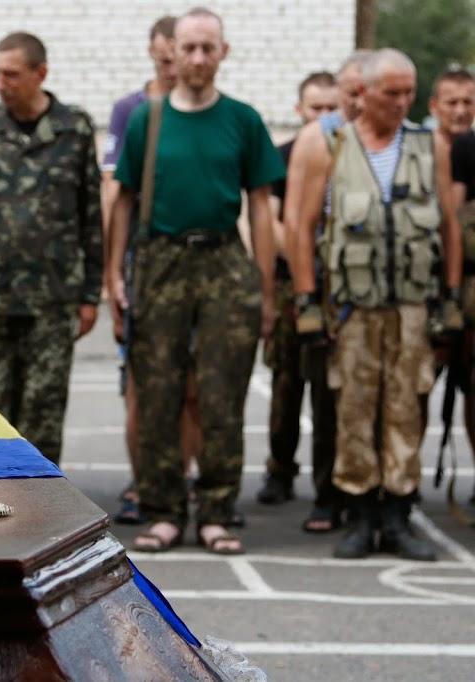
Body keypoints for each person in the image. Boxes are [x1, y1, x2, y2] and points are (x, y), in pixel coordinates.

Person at [109, 7, 284, 555]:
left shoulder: (244, 120)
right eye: (189, 48)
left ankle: (216, 511)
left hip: (225, 262)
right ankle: (162, 510)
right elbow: (124, 201)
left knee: (222, 393)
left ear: (223, 53)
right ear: (172, 52)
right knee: (157, 390)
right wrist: (115, 273)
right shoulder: (149, 119)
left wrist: (265, 288)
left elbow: (260, 206)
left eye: (209, 48)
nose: (198, 58)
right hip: (161, 261)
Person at [292, 49, 462, 561]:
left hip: (412, 308)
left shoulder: (428, 144)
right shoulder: (330, 146)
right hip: (353, 311)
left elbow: (449, 228)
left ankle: (399, 513)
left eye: (409, 92)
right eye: (392, 93)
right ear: (362, 93)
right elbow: (302, 227)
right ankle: (361, 515)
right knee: (356, 410)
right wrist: (306, 302)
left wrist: (450, 299)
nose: (403, 102)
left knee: (407, 408)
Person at [0, 31, 102, 465]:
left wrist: (90, 293)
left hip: (52, 296)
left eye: (12, 74)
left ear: (40, 73)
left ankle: (44, 517)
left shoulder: (73, 127)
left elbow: (90, 213)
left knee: (43, 414)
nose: (1, 83)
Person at [101, 15, 204, 526]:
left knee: (190, 386)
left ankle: (181, 478)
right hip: (146, 261)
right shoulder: (131, 111)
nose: (172, 66)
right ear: (154, 54)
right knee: (141, 385)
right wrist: (112, 272)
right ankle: (144, 479)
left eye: (177, 57)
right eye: (165, 57)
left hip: (197, 267)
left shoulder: (207, 111)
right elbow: (114, 193)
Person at [257, 71, 341, 536]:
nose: (324, 117)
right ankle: (279, 469)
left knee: (329, 393)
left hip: (338, 289)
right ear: (299, 110)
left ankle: (327, 487)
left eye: (332, 108)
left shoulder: (348, 153)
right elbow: (274, 225)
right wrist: (306, 256)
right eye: (316, 108)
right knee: (286, 385)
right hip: (294, 285)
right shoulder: (283, 156)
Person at [439, 68, 475, 506]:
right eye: (453, 101)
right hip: (453, 289)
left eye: (469, 101)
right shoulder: (465, 150)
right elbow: (451, 224)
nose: (462, 110)